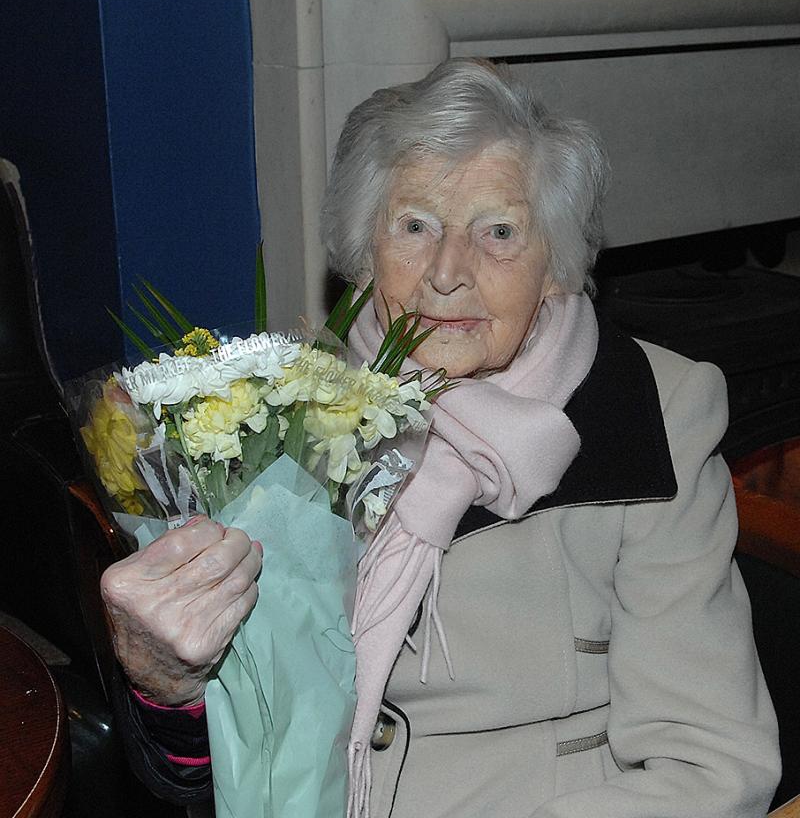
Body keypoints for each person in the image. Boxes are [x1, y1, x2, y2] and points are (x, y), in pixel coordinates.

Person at [101, 58, 780, 817]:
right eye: (416, 225)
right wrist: (168, 684)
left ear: (554, 265)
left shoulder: (649, 412)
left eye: (498, 232)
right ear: (365, 253)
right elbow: (211, 761)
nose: (449, 273)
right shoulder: (279, 416)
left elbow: (710, 763)